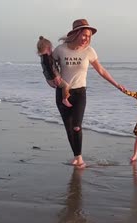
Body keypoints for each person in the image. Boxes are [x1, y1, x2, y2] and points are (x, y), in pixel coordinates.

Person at [48, 19, 124, 168]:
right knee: (69, 127)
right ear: (75, 34)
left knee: (77, 125)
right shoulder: (60, 50)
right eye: (84, 35)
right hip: (63, 93)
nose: (86, 39)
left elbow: (101, 70)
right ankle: (77, 157)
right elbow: (49, 69)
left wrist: (116, 84)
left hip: (80, 93)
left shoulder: (89, 51)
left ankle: (80, 159)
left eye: (89, 36)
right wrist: (51, 81)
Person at [37, 36, 72, 107]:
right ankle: (65, 99)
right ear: (47, 48)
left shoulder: (45, 57)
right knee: (66, 86)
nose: (51, 50)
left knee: (64, 86)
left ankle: (65, 94)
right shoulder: (46, 58)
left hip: (50, 77)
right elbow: (49, 68)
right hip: (52, 77)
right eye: (50, 49)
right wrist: (54, 77)